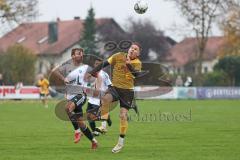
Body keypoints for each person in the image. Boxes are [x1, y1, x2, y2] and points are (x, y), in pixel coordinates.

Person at [87, 42, 142, 153]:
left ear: (138, 53)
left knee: (123, 116)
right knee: (105, 99)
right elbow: (105, 63)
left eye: (136, 49)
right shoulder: (118, 56)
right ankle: (103, 126)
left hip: (127, 92)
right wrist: (93, 71)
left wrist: (128, 65)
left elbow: (136, 74)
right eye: (132, 47)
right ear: (129, 49)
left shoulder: (137, 63)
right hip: (115, 88)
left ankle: (120, 143)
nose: (133, 50)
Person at [52, 48, 98, 149]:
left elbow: (96, 75)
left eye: (82, 54)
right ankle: (93, 141)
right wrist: (64, 78)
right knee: (80, 122)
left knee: (67, 109)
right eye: (78, 54)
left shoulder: (86, 67)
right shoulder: (67, 67)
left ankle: (77, 131)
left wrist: (93, 77)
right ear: (72, 56)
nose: (81, 55)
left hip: (80, 95)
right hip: (71, 97)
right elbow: (54, 71)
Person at [86, 58, 112, 136]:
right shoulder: (91, 74)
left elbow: (110, 86)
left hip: (99, 99)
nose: (97, 65)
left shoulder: (104, 74)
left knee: (93, 116)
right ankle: (95, 131)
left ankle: (106, 117)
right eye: (96, 64)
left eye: (99, 64)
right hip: (91, 99)